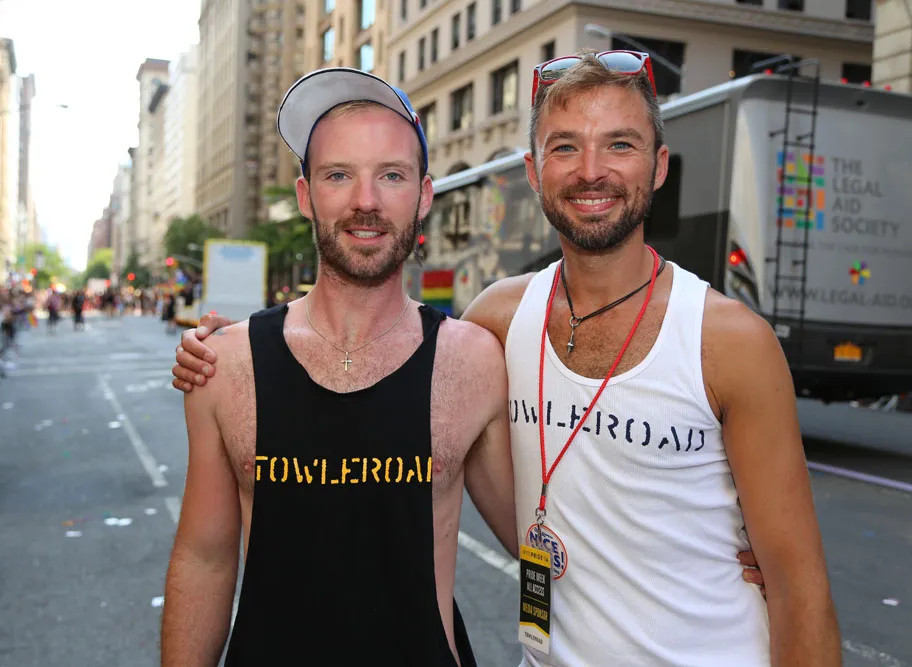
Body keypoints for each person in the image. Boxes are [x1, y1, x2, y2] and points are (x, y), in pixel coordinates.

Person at [173, 51, 837, 666]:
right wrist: (238, 347)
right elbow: (378, 371)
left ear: (660, 165)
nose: (591, 170)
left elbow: (801, 586)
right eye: (565, 146)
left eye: (620, 144)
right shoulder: (497, 320)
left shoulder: (730, 341)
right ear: (534, 172)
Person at [159, 67, 516, 667]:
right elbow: (204, 559)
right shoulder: (227, 363)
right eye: (338, 175)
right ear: (306, 196)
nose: (365, 201)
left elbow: (538, 537)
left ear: (424, 196)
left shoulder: (474, 359)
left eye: (392, 175)